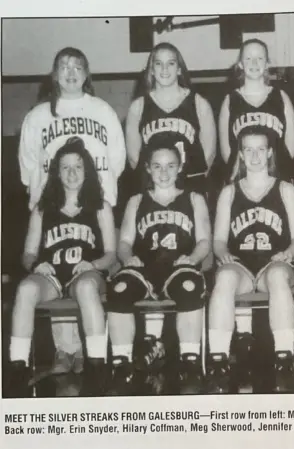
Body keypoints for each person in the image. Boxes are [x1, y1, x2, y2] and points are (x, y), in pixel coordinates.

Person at [18, 47, 126, 377]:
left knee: (88, 279)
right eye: (63, 67)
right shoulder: (37, 116)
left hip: (95, 207)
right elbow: (27, 169)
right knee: (54, 269)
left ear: (86, 74)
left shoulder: (103, 110)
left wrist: (95, 196)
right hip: (52, 206)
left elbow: (117, 161)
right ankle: (66, 352)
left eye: (77, 66)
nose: (70, 72)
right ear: (54, 75)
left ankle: (93, 354)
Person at [6, 137, 116, 397]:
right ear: (56, 172)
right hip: (53, 276)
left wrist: (94, 263)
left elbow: (111, 254)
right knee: (25, 290)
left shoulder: (101, 206)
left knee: (88, 287)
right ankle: (18, 367)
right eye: (65, 167)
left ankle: (96, 366)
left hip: (85, 272)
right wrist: (35, 263)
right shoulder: (43, 208)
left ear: (87, 169)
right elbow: (28, 253)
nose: (72, 173)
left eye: (77, 166)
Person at [105, 137, 210, 395]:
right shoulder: (136, 201)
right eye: (158, 166)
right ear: (148, 169)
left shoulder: (194, 199)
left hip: (179, 265)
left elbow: (205, 240)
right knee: (118, 289)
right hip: (144, 267)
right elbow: (125, 242)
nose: (164, 172)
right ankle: (122, 365)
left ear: (180, 167)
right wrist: (128, 256)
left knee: (189, 286)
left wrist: (194, 258)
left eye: (170, 166)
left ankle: (190, 363)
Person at [207, 128, 294, 394]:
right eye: (248, 150)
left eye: (260, 149)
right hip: (242, 265)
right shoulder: (229, 192)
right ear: (240, 155)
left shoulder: (285, 189)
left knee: (276, 277)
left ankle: (285, 359)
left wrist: (289, 253)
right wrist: (222, 252)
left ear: (270, 152)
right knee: (224, 277)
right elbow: (217, 240)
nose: (254, 155)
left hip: (275, 263)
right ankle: (218, 361)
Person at [125, 42, 216, 195]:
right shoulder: (138, 106)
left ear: (179, 69)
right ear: (151, 70)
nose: (165, 69)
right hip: (153, 189)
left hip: (191, 186)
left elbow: (209, 154)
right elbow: (134, 159)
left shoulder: (199, 103)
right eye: (159, 64)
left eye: (171, 63)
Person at [219, 38, 294, 180]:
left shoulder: (281, 96)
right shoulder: (230, 100)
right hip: (243, 180)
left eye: (260, 58)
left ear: (267, 63)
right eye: (248, 58)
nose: (254, 63)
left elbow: (293, 147)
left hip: (278, 178)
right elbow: (227, 152)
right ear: (240, 64)